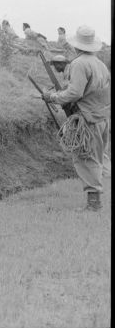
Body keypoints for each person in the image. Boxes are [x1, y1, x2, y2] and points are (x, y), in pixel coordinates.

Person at [42, 26, 110, 211]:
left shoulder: (79, 64)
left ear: (76, 46)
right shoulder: (100, 63)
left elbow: (75, 92)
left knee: (85, 158)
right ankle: (97, 198)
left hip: (87, 119)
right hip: (101, 117)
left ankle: (94, 204)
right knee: (96, 157)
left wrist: (53, 97)